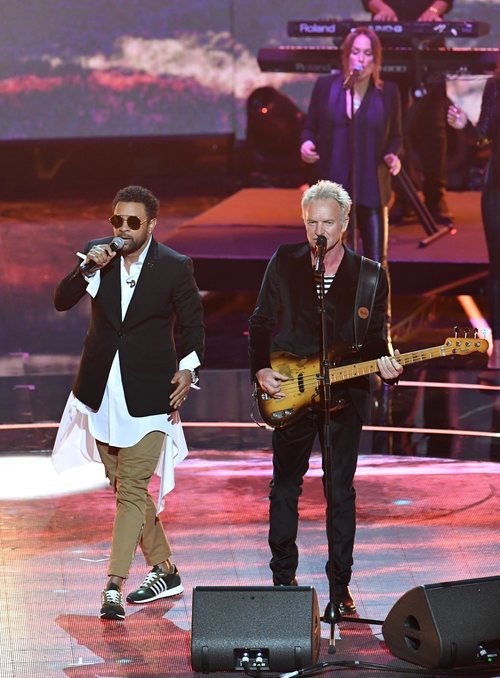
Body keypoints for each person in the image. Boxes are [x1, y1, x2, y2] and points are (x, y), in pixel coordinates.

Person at [248, 180, 403, 615]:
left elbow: (376, 339)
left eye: (328, 223)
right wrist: (260, 368)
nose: (319, 231)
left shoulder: (370, 274)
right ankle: (283, 578)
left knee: (339, 491)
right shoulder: (285, 261)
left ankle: (340, 588)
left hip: (344, 396)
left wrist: (387, 367)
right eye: (312, 222)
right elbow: (260, 321)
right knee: (285, 485)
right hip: (291, 390)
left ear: (346, 222)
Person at [52, 185, 204, 620]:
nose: (122, 229)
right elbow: (61, 301)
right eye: (116, 220)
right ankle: (165, 570)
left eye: (132, 222)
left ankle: (113, 586)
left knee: (133, 490)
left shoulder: (174, 266)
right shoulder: (98, 255)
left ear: (151, 225)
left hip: (150, 396)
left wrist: (189, 370)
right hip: (100, 393)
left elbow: (193, 326)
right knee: (124, 487)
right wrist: (86, 268)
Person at [301, 27, 402, 272]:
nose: (361, 59)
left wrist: (394, 156)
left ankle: (374, 299)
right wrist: (306, 144)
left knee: (376, 262)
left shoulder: (388, 92)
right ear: (346, 56)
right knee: (330, 260)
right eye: (356, 52)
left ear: (375, 59)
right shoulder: (326, 87)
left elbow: (396, 137)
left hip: (371, 187)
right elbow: (309, 128)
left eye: (367, 53)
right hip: (333, 186)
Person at [362, 0, 454, 225]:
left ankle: (435, 195)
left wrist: (433, 10)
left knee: (432, 123)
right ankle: (404, 195)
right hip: (389, 41)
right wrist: (381, 7)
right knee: (392, 123)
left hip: (429, 40)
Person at [447, 70, 500, 369]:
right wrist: (464, 126)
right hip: (497, 190)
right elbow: (483, 135)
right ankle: (499, 346)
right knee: (498, 268)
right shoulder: (496, 84)